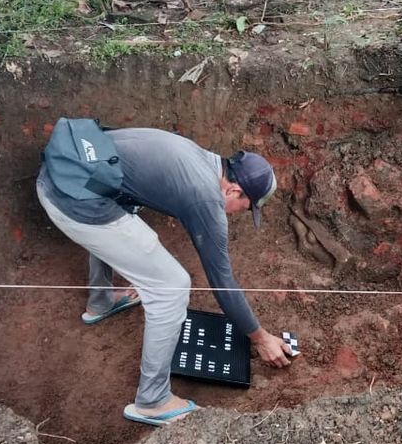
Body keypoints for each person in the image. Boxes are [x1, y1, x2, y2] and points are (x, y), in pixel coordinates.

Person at [36, 125, 293, 427]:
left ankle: (102, 300)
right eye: (244, 207)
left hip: (63, 178)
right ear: (233, 190)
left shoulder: (201, 158)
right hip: (71, 201)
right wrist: (260, 338)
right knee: (172, 285)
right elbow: (222, 282)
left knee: (123, 207)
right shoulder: (206, 198)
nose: (236, 214)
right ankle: (153, 400)